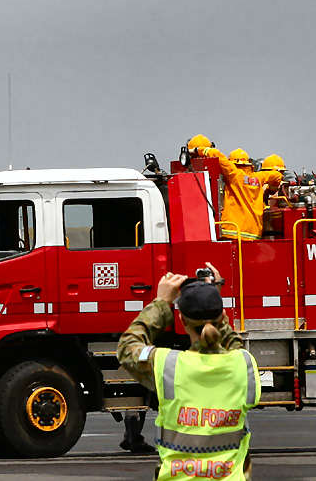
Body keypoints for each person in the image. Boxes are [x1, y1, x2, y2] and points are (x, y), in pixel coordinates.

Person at [118, 264, 261, 480]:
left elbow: (128, 346)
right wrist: (210, 297)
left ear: (182, 321)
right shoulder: (243, 364)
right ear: (222, 317)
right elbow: (233, 343)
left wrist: (161, 303)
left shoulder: (167, 366)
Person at [187, 135, 282, 240]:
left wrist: (199, 150)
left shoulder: (234, 174)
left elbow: (218, 155)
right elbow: (277, 176)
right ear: (248, 164)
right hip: (254, 234)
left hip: (233, 231)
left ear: (233, 163)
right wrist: (272, 188)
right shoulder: (259, 177)